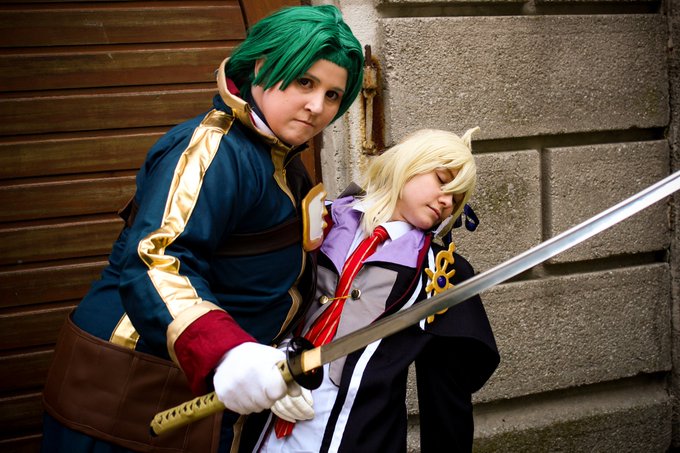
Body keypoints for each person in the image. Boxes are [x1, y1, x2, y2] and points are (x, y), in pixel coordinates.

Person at [40, 5, 364, 453]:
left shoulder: (280, 157)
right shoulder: (213, 149)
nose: (317, 106)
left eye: (332, 94)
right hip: (128, 390)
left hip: (203, 391)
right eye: (305, 82)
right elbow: (157, 259)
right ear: (261, 67)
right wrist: (227, 352)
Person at [239, 128, 500, 452]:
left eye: (457, 199)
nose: (447, 202)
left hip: (361, 433)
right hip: (267, 413)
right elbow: (254, 295)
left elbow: (446, 396)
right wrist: (264, 361)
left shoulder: (440, 273)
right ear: (408, 163)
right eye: (442, 181)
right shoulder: (319, 217)